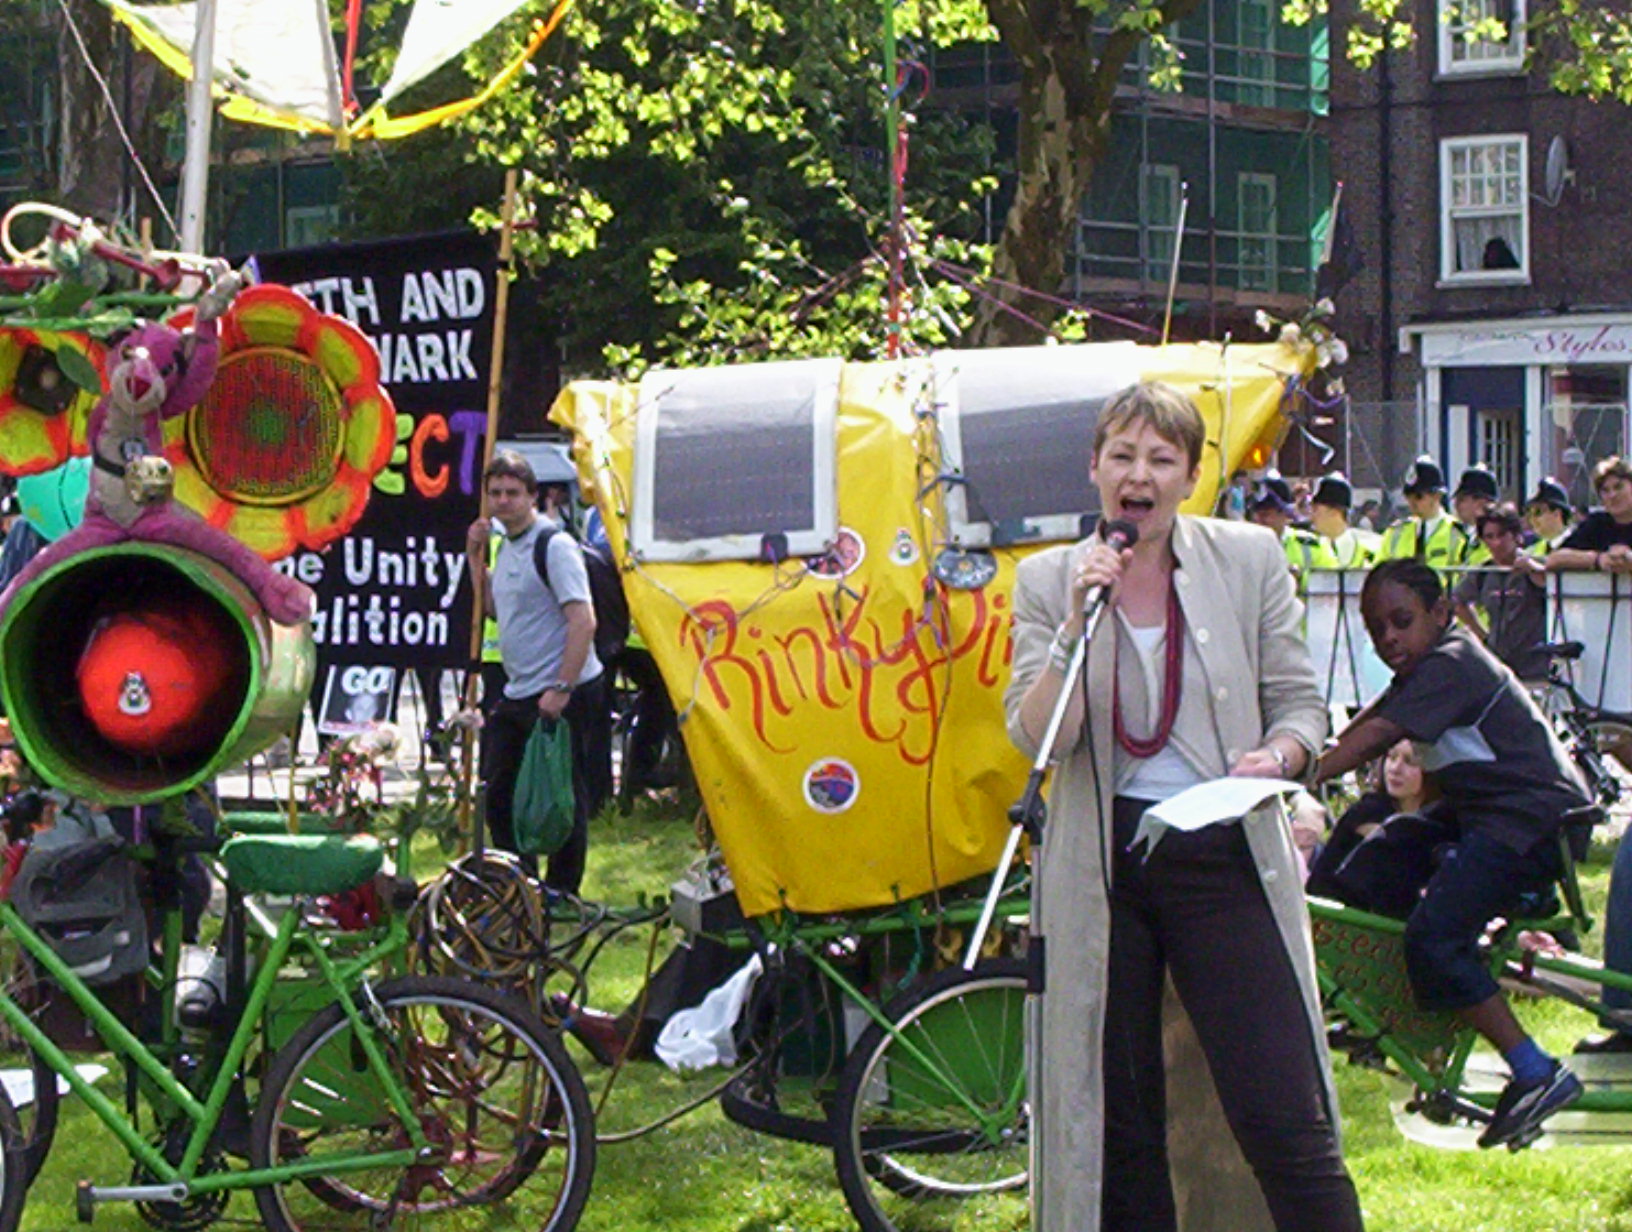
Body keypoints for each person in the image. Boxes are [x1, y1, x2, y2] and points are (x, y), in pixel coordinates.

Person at [1005, 382, 1361, 1232]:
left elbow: (1301, 708)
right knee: (1120, 1122)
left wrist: (1279, 756)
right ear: (1094, 469)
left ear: (1192, 477)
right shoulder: (1051, 579)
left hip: (1221, 850)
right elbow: (1039, 737)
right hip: (1103, 869)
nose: (1140, 476)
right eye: (1123, 456)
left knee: (1281, 1107)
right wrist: (1076, 624)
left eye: (1162, 460)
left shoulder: (1249, 559)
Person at [1315, 559, 1590, 1149]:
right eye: (1375, 629)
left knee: (1435, 938)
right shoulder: (1425, 666)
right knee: (1377, 859)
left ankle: (1536, 1071)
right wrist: (1296, 751)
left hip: (1532, 823)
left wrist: (1299, 773)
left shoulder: (1455, 660)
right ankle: (1386, 1010)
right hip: (1485, 815)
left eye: (1401, 621)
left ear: (1441, 613)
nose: (1388, 638)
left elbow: (1377, 735)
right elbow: (1370, 718)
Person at [465, 451, 607, 894]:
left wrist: (562, 687)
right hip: (519, 688)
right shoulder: (505, 546)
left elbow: (583, 620)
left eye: (512, 492)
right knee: (498, 790)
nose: (503, 501)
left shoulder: (554, 546)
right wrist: (474, 558)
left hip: (565, 688)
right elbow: (493, 609)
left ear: (531, 495)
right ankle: (522, 882)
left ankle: (562, 891)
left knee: (561, 794)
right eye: (495, 493)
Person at [1306, 740, 1450, 915]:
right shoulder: (1364, 813)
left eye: (1410, 762)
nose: (1395, 769)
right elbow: (1321, 880)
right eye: (1391, 757)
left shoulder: (1444, 830)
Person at [1454, 506, 1548, 681]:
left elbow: (1554, 588)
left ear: (1516, 536)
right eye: (1489, 537)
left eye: (1502, 535)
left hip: (1534, 666)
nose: (1496, 543)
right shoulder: (1483, 573)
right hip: (1498, 666)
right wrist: (1482, 636)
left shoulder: (1534, 565)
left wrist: (1534, 571)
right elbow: (1457, 601)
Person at [1544, 455, 1632, 575]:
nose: (1612, 495)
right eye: (1605, 491)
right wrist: (1599, 559)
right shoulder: (1597, 524)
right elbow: (1554, 559)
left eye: (1618, 487)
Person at [1380, 456, 1472, 568]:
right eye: (1408, 496)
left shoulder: (1456, 533)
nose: (1412, 502)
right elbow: (1379, 570)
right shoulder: (1396, 533)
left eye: (1418, 496)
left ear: (1437, 496)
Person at [1249, 471, 1318, 582]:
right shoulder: (1243, 547)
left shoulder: (1311, 545)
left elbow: (1332, 583)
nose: (1259, 520)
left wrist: (1300, 579)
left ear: (1285, 515)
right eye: (1255, 514)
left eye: (1265, 514)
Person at [1307, 471, 1379, 569]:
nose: (1311, 515)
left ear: (1334, 511)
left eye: (1315, 509)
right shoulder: (1306, 546)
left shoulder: (1371, 546)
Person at [1451, 464, 1500, 566]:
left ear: (1480, 503)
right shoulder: (1464, 534)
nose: (1456, 505)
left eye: (1462, 500)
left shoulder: (1497, 537)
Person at [1524, 476, 1574, 556]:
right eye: (1530, 514)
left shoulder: (1578, 545)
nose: (1532, 519)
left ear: (1557, 514)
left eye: (1538, 512)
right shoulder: (1532, 551)